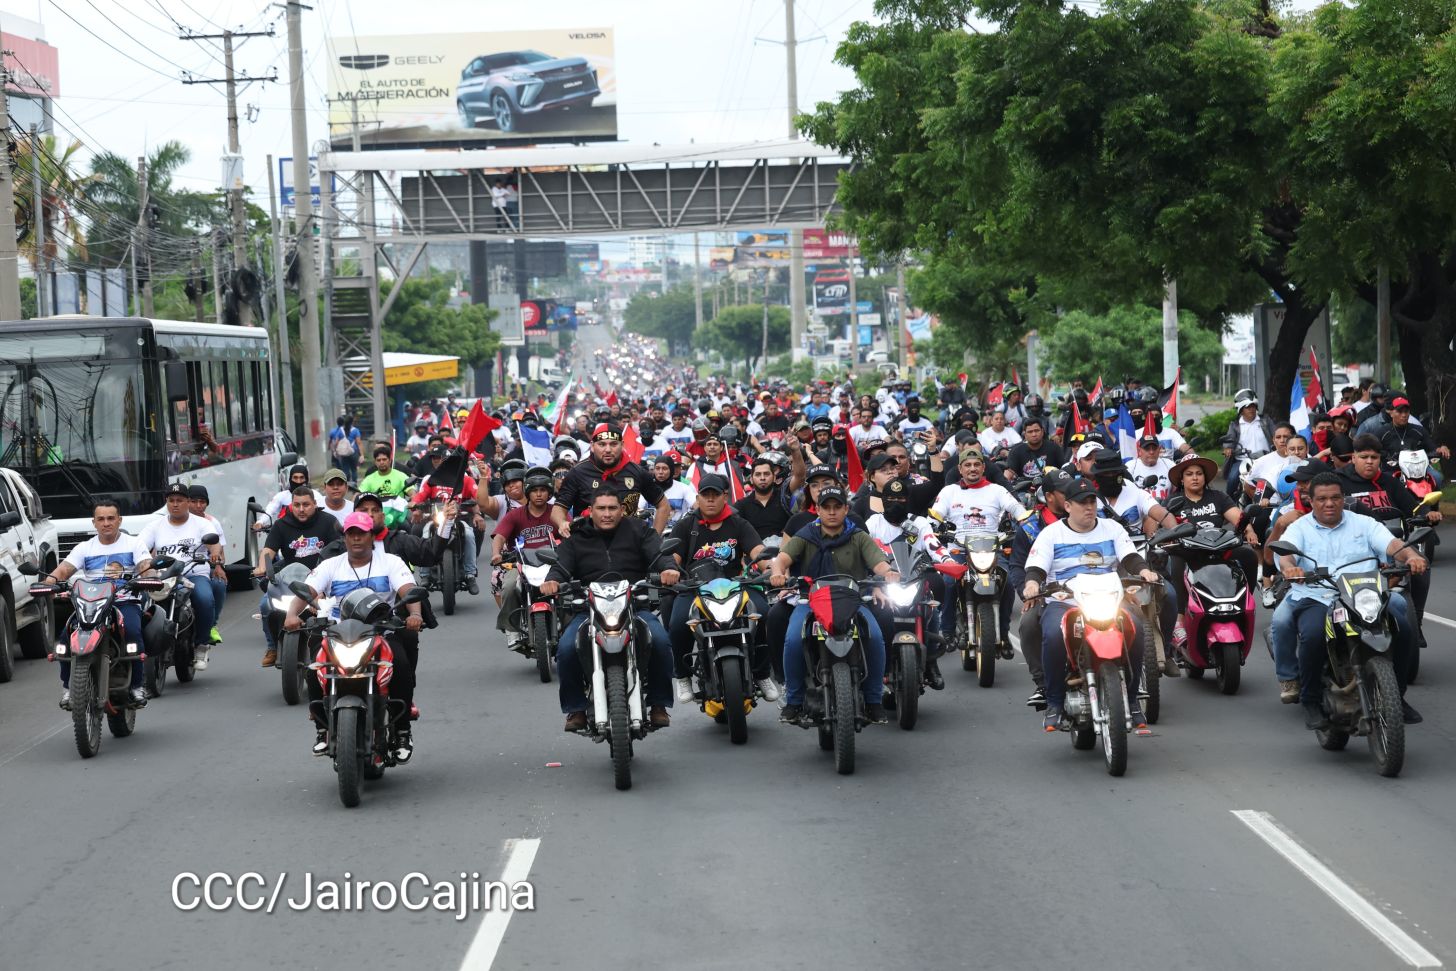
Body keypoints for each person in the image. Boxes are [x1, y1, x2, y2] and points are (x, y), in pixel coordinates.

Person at [1270, 473, 1427, 729]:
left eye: (1335, 497)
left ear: (1344, 498)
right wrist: (1290, 568)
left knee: (1403, 624)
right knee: (1312, 634)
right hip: (1319, 595)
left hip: (1365, 593)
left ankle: (1397, 696)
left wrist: (1411, 556)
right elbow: (1286, 553)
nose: (1329, 504)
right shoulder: (1300, 528)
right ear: (1311, 501)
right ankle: (1310, 700)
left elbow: (1393, 544)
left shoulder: (1364, 523)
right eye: (1322, 499)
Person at [1021, 475, 1160, 731]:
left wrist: (1143, 572)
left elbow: (1130, 557)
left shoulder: (1113, 529)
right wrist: (1032, 584)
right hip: (1066, 602)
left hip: (1109, 599)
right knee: (1052, 634)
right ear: (1068, 506)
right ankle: (1054, 702)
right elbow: (1036, 568)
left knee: (1138, 629)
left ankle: (1131, 700)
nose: (1089, 507)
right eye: (1082, 503)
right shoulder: (1051, 534)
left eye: (1092, 502)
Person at [538, 488, 680, 732]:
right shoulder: (577, 536)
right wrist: (552, 580)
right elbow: (561, 566)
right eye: (601, 509)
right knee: (566, 648)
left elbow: (658, 555)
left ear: (622, 510)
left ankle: (658, 704)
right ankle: (576, 709)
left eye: (612, 508)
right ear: (591, 511)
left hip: (634, 604)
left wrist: (668, 569)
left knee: (660, 640)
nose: (606, 514)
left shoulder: (639, 531)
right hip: (589, 609)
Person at [285, 512, 423, 757]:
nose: (357, 539)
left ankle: (402, 732)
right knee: (314, 667)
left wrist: (415, 614)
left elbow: (407, 589)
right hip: (338, 634)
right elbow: (307, 590)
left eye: (362, 533)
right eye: (352, 534)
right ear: (345, 537)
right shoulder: (330, 565)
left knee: (400, 665)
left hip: (381, 631)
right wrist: (291, 615)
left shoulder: (390, 562)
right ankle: (322, 728)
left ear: (372, 536)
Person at [769, 484, 899, 725]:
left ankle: (873, 700)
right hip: (810, 601)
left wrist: (888, 572)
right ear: (817, 509)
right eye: (826, 507)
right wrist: (777, 572)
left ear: (846, 509)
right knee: (793, 640)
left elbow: (879, 563)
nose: (831, 512)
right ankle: (794, 702)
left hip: (853, 601)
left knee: (875, 637)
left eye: (837, 507)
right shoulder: (805, 535)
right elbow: (782, 559)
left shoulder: (858, 536)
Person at [351, 492, 448, 762]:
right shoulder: (340, 549)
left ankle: (402, 718)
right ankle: (323, 722)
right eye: (363, 510)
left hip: (392, 618)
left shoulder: (397, 544)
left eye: (374, 510)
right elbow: (318, 583)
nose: (369, 515)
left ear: (383, 515)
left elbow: (429, 554)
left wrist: (447, 523)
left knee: (402, 661)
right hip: (347, 625)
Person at [667, 474, 779, 703]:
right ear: (697, 497)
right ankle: (683, 676)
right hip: (695, 588)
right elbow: (673, 557)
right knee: (678, 624)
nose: (710, 500)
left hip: (736, 586)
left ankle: (761, 673)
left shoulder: (738, 523)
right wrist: (670, 570)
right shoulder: (687, 524)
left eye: (715, 495)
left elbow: (757, 551)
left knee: (765, 615)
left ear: (725, 497)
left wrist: (770, 567)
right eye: (705, 495)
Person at [42, 498, 153, 709]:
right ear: (94, 523)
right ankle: (68, 689)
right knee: (66, 636)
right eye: (101, 519)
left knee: (131, 630)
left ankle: (136, 686)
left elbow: (145, 565)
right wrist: (47, 583)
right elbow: (63, 571)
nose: (106, 523)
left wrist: (151, 575)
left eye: (111, 518)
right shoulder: (85, 548)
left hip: (124, 601)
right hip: (91, 605)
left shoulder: (134, 543)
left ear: (119, 520)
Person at [931, 447, 1026, 653]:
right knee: (947, 583)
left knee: (1008, 584)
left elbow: (1015, 506)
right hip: (958, 551)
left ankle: (1004, 634)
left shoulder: (997, 490)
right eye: (968, 465)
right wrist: (934, 526)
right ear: (960, 469)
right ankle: (946, 631)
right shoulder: (949, 491)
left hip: (991, 552)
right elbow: (935, 515)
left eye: (976, 465)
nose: (972, 469)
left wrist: (1024, 519)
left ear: (983, 467)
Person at [862, 477, 951, 690]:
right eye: (890, 498)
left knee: (932, 610)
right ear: (882, 500)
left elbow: (934, 545)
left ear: (907, 500)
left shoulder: (919, 523)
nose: (895, 502)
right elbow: (862, 551)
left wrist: (947, 561)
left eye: (900, 498)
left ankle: (931, 662)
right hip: (883, 585)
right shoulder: (872, 524)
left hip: (914, 580)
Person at [252, 485, 344, 666]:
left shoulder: (328, 521)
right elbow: (269, 550)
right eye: (297, 505)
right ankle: (272, 647)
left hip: (323, 582)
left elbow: (339, 550)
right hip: (290, 581)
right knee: (265, 605)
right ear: (291, 506)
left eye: (306, 505)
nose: (301, 509)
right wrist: (262, 566)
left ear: (315, 504)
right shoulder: (281, 524)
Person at [139, 482, 226, 669]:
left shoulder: (203, 524)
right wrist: (145, 566)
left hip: (193, 573)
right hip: (163, 577)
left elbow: (214, 542)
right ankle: (139, 648)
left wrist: (215, 553)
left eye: (180, 500)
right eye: (171, 500)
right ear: (166, 503)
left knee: (205, 599)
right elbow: (141, 549)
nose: (175, 504)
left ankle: (202, 645)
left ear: (187, 502)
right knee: (141, 600)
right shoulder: (155, 526)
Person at [1008, 469, 1072, 710]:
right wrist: (1028, 590)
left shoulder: (1088, 518)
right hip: (1046, 594)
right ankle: (1044, 683)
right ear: (1049, 496)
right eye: (1064, 493)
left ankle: (1129, 678)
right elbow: (1017, 565)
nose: (1071, 497)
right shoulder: (1030, 528)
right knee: (1028, 624)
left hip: (1090, 590)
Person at [553, 424, 669, 536]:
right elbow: (558, 509)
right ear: (592, 446)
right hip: (587, 545)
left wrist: (654, 537)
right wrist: (562, 523)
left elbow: (663, 505)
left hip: (628, 546)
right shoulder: (577, 473)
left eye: (613, 444)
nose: (608, 449)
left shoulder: (637, 472)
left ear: (622, 445)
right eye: (602, 444)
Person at [490, 469, 558, 651]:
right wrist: (496, 553)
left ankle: (571, 626)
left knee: (570, 589)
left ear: (549, 492)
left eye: (543, 490)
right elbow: (499, 536)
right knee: (510, 586)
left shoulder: (556, 512)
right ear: (527, 492)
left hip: (553, 564)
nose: (538, 494)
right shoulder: (515, 515)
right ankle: (512, 630)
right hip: (522, 564)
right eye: (534, 490)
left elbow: (568, 531)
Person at [411, 445, 482, 595]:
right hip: (436, 520)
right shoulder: (432, 480)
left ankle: (470, 574)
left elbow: (478, 497)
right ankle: (424, 575)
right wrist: (415, 506)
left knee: (469, 534)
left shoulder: (466, 480)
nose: (448, 464)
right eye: (445, 461)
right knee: (425, 533)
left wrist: (478, 513)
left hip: (459, 519)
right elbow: (420, 496)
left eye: (452, 461)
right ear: (441, 463)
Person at [187, 485, 229, 633]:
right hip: (179, 569)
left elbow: (220, 552)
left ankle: (212, 624)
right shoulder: (176, 521)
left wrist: (218, 566)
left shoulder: (212, 522)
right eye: (194, 501)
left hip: (204, 568)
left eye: (202, 502)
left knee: (218, 584)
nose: (198, 506)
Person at [1222, 390, 1273, 491]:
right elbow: (1229, 440)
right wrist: (1227, 448)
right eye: (1247, 407)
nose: (1251, 409)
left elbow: (1276, 434)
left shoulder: (1265, 421)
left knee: (1275, 479)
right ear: (1241, 410)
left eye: (1253, 406)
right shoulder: (1235, 425)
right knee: (1232, 479)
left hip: (1265, 459)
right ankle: (1229, 504)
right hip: (1242, 460)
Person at [1004, 416, 1066, 481]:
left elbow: (1064, 468)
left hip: (1052, 487)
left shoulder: (1054, 448)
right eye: (1030, 432)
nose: (1034, 434)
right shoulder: (1016, 451)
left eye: (1036, 431)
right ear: (1025, 434)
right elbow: (1008, 474)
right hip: (1025, 489)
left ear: (1042, 431)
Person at [1125, 433, 1175, 500]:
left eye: (1154, 448)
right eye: (1147, 449)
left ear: (1159, 449)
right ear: (1139, 451)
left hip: (1165, 507)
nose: (1151, 452)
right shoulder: (1130, 466)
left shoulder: (1169, 464)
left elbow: (1176, 489)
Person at [329, 415, 363, 484]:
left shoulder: (341, 430)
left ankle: (347, 484)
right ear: (352, 422)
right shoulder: (355, 430)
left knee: (345, 469)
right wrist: (362, 454)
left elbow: (336, 442)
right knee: (354, 469)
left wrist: (335, 451)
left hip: (343, 453)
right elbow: (359, 443)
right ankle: (354, 483)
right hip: (353, 452)